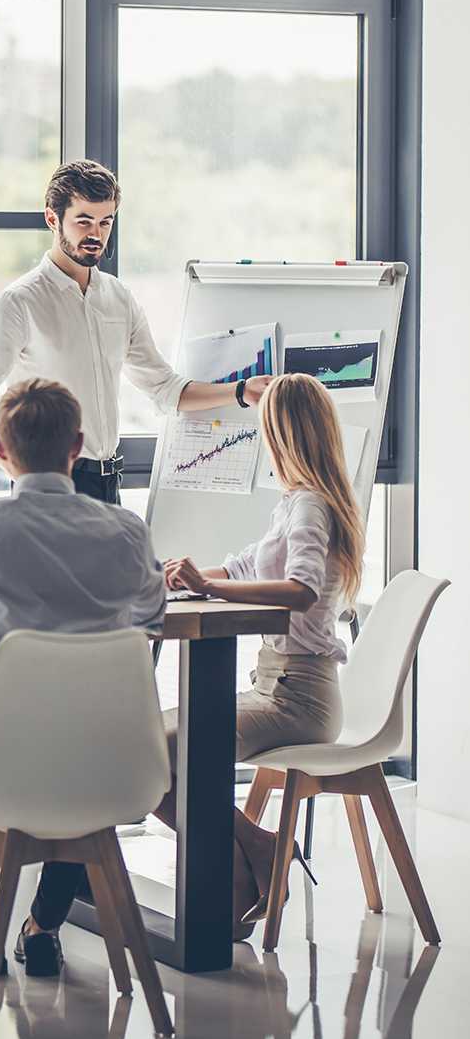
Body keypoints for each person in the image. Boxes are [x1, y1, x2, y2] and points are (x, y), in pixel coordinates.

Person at [0, 378, 166, 979]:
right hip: (115, 766)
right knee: (83, 772)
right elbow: (152, 619)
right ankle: (44, 928)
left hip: (6, 765)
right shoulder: (127, 532)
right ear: (77, 445)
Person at [160, 373, 366, 937]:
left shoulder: (309, 508)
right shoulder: (300, 504)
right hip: (278, 688)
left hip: (296, 699)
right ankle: (260, 849)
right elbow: (249, 566)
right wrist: (188, 576)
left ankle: (243, 869)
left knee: (150, 758)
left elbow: (298, 589)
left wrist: (211, 590)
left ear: (281, 435)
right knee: (145, 746)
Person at [0, 159, 271, 504]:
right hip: (49, 487)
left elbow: (164, 388)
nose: (96, 234)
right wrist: (21, 473)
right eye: (83, 221)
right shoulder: (20, 302)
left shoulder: (119, 298)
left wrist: (241, 391)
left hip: (108, 485)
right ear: (52, 219)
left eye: (106, 222)